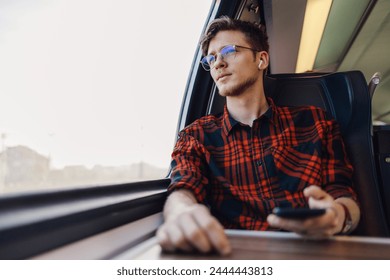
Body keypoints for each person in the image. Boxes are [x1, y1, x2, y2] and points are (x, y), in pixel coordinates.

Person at [156, 16, 360, 255]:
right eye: (211, 58)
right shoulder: (196, 136)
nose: (217, 64)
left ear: (261, 59)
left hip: (314, 254)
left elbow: (344, 195)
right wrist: (181, 213)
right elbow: (183, 189)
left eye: (229, 51)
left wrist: (337, 217)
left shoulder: (316, 122)